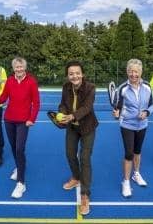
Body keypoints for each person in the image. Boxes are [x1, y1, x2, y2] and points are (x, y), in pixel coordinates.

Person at [0, 57, 40, 199]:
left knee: (20, 148)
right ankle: (19, 167)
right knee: (13, 147)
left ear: (24, 67)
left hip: (23, 122)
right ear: (13, 68)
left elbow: (36, 103)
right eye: (16, 67)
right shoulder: (10, 80)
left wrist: (32, 119)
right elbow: (3, 98)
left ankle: (21, 183)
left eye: (21, 67)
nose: (19, 69)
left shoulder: (31, 81)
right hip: (9, 119)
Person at [58, 60, 98, 216]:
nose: (74, 76)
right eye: (71, 73)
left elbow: (87, 108)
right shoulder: (66, 87)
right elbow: (62, 104)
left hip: (87, 127)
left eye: (77, 73)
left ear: (82, 74)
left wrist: (72, 116)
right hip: (72, 127)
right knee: (69, 154)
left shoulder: (90, 88)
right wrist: (61, 114)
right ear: (68, 76)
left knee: (85, 158)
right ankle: (76, 177)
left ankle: (85, 195)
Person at [112, 59, 153, 198]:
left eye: (136, 71)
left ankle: (136, 174)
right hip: (127, 125)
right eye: (130, 71)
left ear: (141, 72)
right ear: (127, 71)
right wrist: (116, 114)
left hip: (142, 125)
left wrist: (147, 113)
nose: (133, 74)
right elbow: (117, 108)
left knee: (138, 151)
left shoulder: (148, 86)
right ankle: (125, 181)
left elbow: (152, 104)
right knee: (129, 153)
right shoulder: (122, 88)